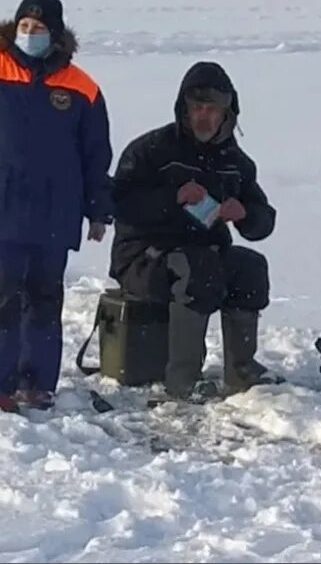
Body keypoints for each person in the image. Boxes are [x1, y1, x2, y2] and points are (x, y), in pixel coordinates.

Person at [0, 0, 113, 412]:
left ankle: (36, 383)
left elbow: (95, 154)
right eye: (24, 27)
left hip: (55, 210)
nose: (30, 34)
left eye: (39, 28)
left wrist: (98, 208)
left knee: (44, 299)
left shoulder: (80, 86)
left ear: (56, 34)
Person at [109, 61, 280, 403]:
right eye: (196, 107)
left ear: (226, 113)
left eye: (211, 108)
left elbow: (263, 220)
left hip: (205, 254)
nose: (203, 116)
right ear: (183, 108)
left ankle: (241, 370)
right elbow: (119, 203)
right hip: (143, 257)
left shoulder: (236, 162)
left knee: (250, 268)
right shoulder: (150, 150)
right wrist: (171, 199)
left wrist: (244, 213)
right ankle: (183, 379)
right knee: (197, 268)